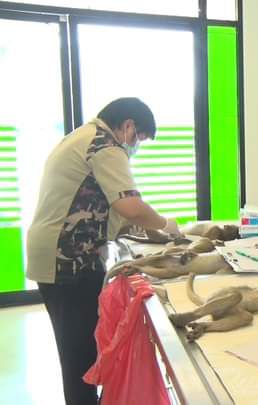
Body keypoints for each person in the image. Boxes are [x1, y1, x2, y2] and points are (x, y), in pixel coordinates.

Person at [26, 97, 181, 405]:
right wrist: (167, 225)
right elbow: (130, 206)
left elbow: (104, 208)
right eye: (138, 139)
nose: (135, 147)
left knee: (79, 349)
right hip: (67, 261)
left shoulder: (84, 136)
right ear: (128, 126)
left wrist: (146, 231)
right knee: (79, 355)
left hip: (60, 256)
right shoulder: (105, 145)